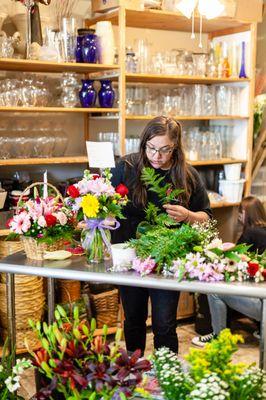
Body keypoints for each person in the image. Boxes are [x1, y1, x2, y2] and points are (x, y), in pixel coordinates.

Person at [111, 116, 212, 354]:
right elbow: (107, 203)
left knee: (164, 324)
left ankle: (166, 379)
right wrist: (104, 216)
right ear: (144, 143)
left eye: (165, 150)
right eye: (151, 148)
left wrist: (188, 215)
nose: (157, 156)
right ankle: (133, 373)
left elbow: (207, 215)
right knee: (133, 320)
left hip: (167, 258)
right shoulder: (126, 167)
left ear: (175, 147)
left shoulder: (187, 175)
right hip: (130, 257)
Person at [192, 195, 266, 347]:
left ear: (245, 213)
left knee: (215, 290)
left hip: (262, 304)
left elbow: (234, 258)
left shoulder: (251, 232)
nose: (239, 216)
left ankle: (219, 338)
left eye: (240, 212)